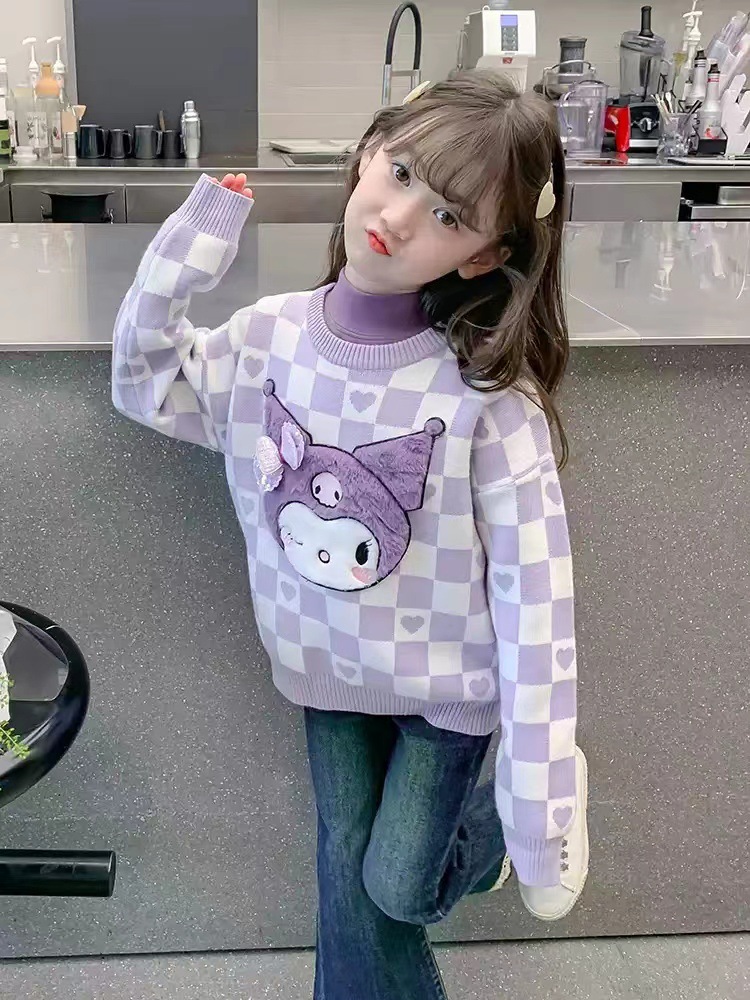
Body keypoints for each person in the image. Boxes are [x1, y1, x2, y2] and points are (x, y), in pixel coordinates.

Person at [112, 69, 589, 1000]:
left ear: (484, 257)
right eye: (401, 171)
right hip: (323, 670)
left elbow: (538, 601)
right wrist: (186, 251)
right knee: (347, 873)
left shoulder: (487, 401)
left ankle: (486, 836)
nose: (399, 218)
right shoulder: (266, 341)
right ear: (369, 151)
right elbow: (146, 386)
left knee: (394, 886)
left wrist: (538, 803)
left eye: (448, 215)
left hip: (446, 692)